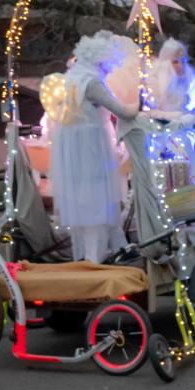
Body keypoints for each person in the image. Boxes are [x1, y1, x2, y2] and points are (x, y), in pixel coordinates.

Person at [50, 31, 139, 262]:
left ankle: (107, 249)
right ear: (101, 61)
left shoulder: (71, 77)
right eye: (109, 65)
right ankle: (94, 258)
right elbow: (122, 111)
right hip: (90, 149)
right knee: (97, 200)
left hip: (72, 150)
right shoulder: (92, 82)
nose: (110, 71)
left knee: (84, 202)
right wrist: (139, 102)